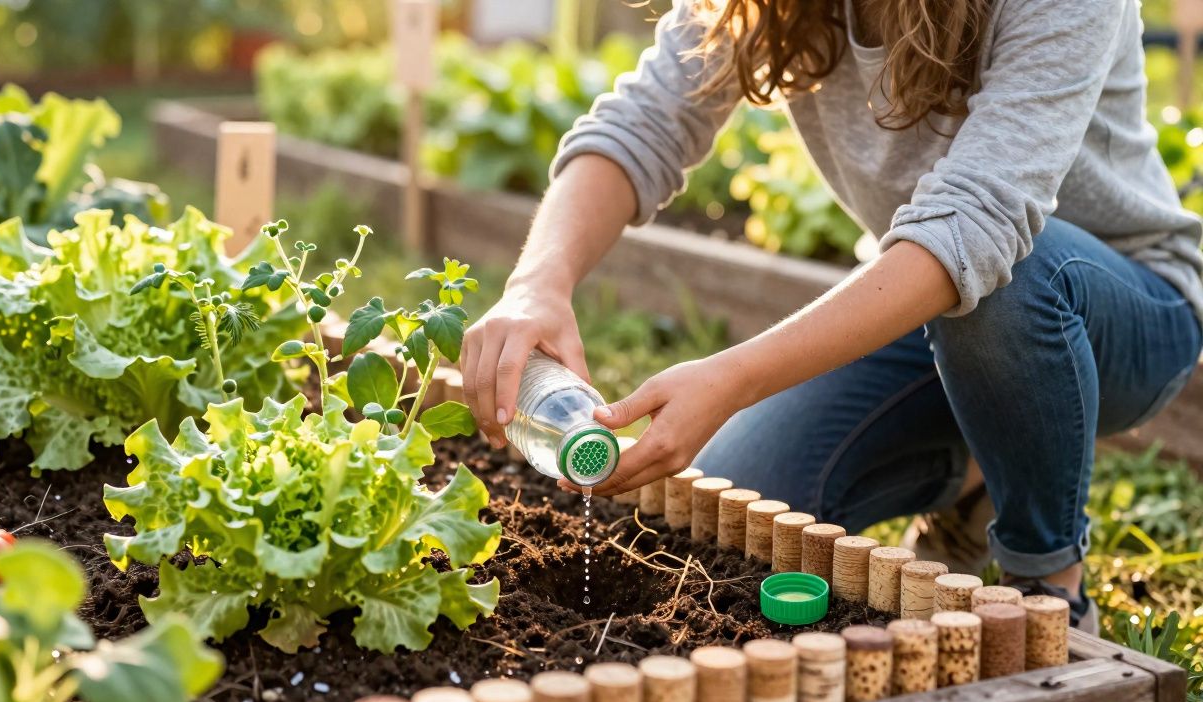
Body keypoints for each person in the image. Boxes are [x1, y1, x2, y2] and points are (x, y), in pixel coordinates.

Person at [459, 0, 1203, 630]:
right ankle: (978, 471)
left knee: (1009, 276)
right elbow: (645, 121)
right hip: (926, 307)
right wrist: (536, 284)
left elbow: (976, 227)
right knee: (740, 507)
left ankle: (1049, 584)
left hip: (1116, 311)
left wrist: (733, 377)